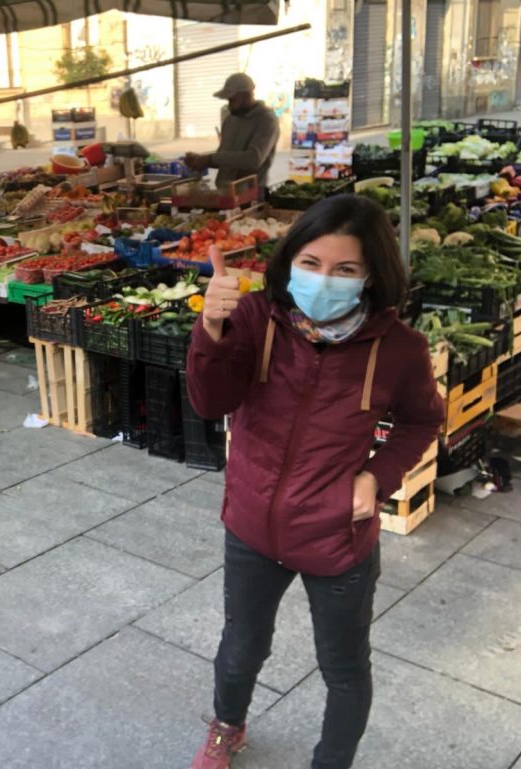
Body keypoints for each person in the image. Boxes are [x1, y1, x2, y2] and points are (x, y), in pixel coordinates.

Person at [185, 194, 444, 769]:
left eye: (345, 269)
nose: (324, 280)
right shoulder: (256, 318)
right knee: (241, 646)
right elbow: (210, 402)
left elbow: (423, 420)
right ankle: (226, 727)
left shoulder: (400, 349)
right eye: (311, 263)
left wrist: (377, 477)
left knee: (344, 666)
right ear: (290, 260)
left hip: (337, 538)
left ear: (371, 274)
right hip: (252, 526)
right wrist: (212, 327)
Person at [184, 72, 280, 193]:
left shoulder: (266, 120)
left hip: (251, 195)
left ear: (247, 95)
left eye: (232, 100)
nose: (229, 105)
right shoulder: (230, 120)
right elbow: (224, 158)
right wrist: (201, 160)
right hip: (225, 193)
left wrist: (210, 159)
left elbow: (253, 159)